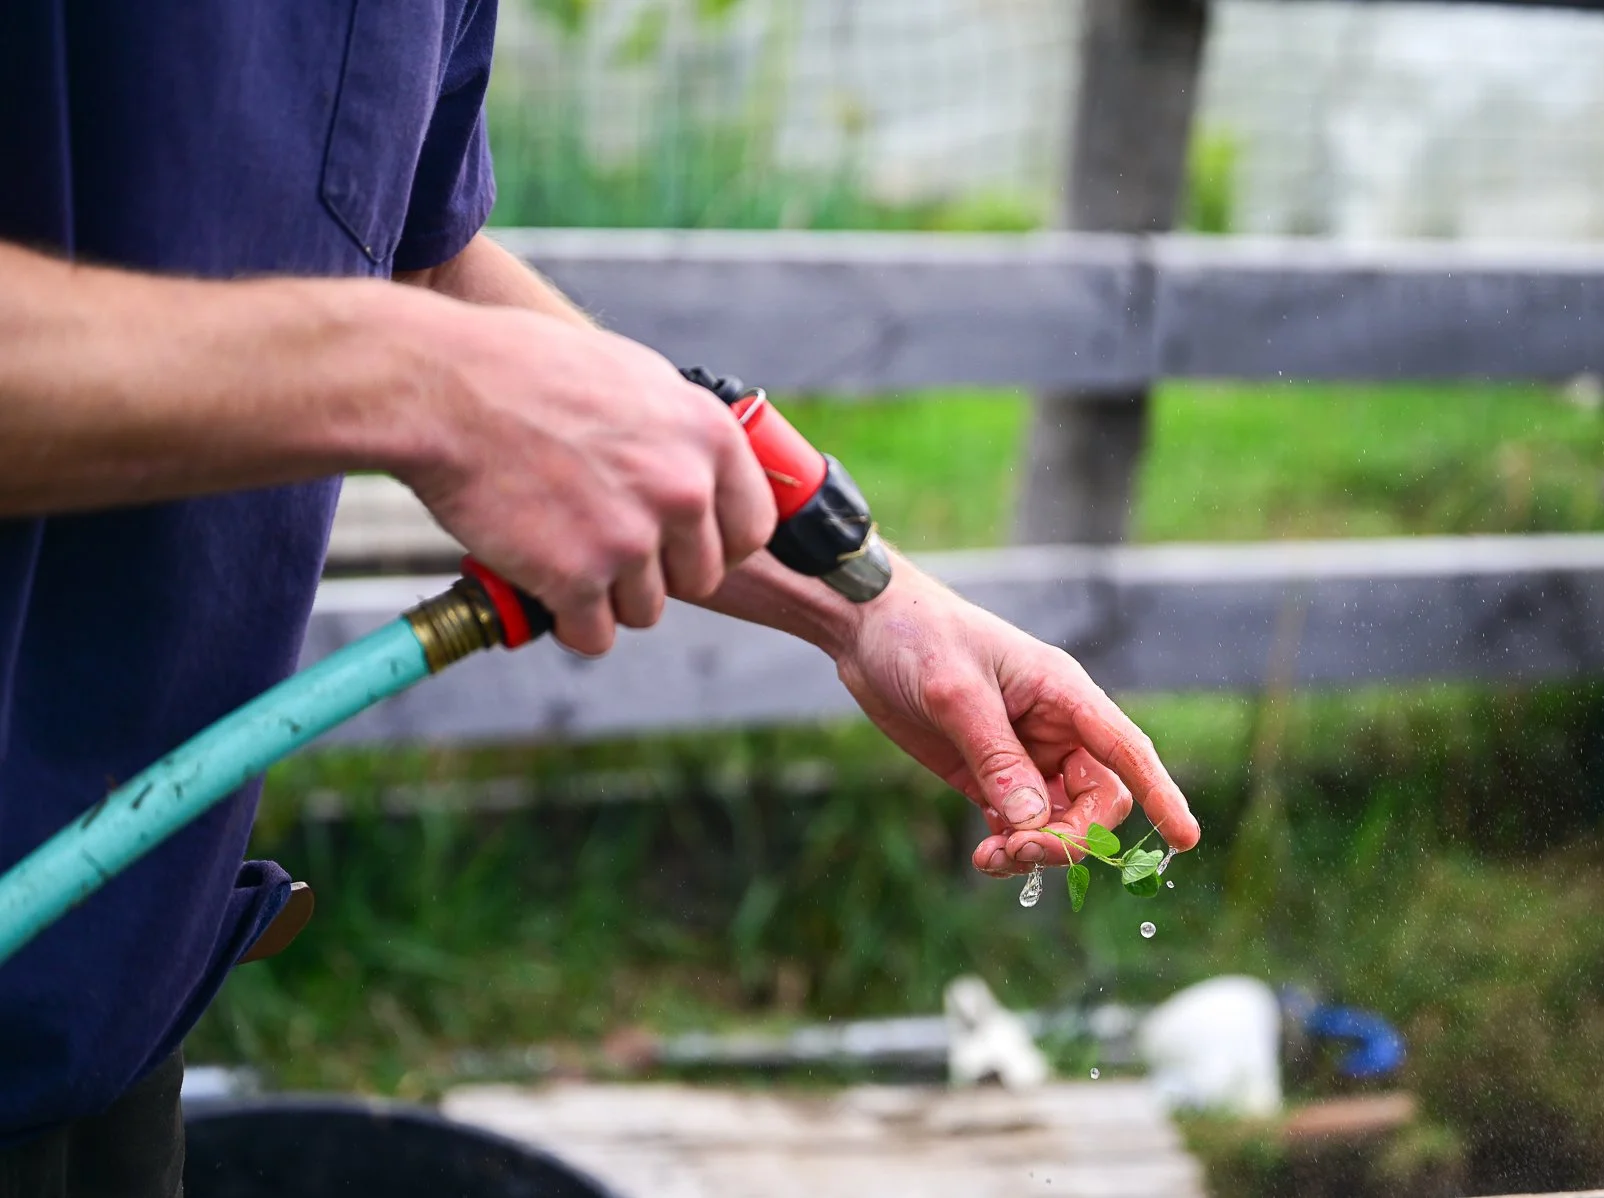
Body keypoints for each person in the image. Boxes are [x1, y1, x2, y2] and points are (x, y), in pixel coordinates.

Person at [0, 1, 1201, 1192]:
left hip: (115, 1005)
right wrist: (414, 382)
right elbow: (409, 335)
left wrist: (878, 609)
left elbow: (416, 256)